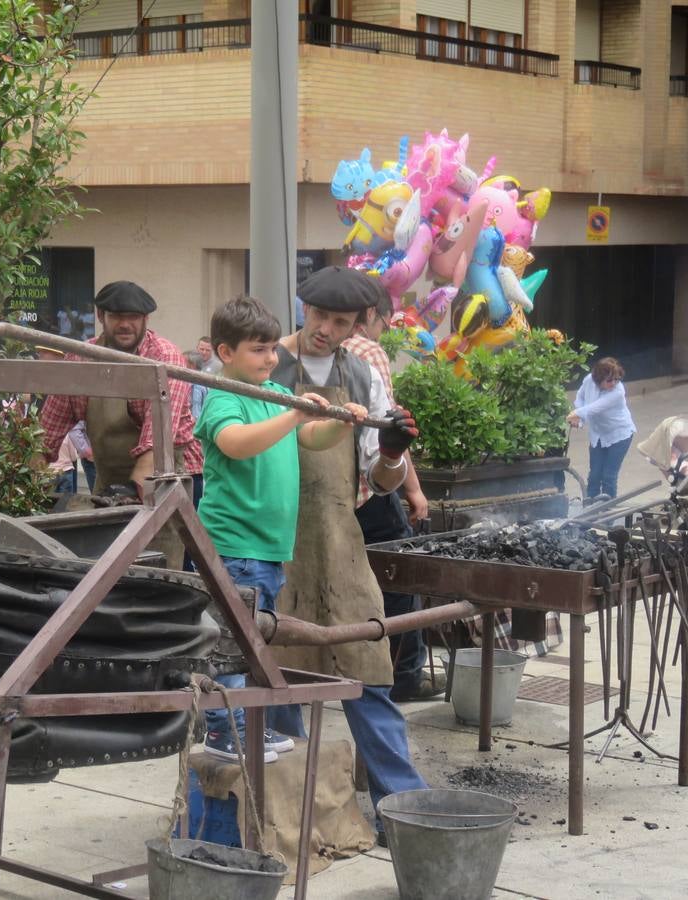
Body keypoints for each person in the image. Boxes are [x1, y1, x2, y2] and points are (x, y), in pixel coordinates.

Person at [271, 265, 427, 843]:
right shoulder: (266, 367)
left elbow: (381, 482)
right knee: (280, 677)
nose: (326, 330)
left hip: (339, 540)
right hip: (272, 544)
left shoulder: (361, 377)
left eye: (340, 323)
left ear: (356, 324)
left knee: (370, 672)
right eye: (318, 316)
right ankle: (295, 814)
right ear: (302, 308)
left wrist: (391, 453)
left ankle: (402, 810)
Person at [196, 295, 366, 763]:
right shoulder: (223, 395)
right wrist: (293, 412)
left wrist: (339, 424)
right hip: (233, 544)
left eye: (273, 349)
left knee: (253, 642)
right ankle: (223, 729)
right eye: (258, 350)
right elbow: (233, 444)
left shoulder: (271, 395)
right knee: (230, 643)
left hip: (268, 549)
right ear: (225, 353)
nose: (271, 358)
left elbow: (311, 438)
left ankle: (248, 723)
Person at [39, 281, 203, 566]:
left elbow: (159, 435)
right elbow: (47, 431)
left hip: (168, 476)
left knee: (164, 569)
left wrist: (133, 492)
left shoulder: (164, 358)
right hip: (110, 481)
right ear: (101, 316)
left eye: (133, 318)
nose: (125, 324)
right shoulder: (80, 358)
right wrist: (27, 478)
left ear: (145, 320)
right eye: (116, 317)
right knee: (108, 566)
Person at [341, 289, 442, 702]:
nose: (384, 331)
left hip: (332, 499)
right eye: (385, 323)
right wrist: (415, 491)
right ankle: (404, 675)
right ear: (371, 316)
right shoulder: (368, 351)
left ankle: (351, 669)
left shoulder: (307, 353)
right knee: (399, 580)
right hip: (370, 491)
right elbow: (391, 432)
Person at [567, 356, 637, 501]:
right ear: (598, 379)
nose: (614, 383)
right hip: (598, 435)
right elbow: (580, 397)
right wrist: (579, 419)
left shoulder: (618, 392)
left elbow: (595, 408)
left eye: (616, 379)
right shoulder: (589, 380)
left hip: (619, 435)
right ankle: (590, 509)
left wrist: (577, 414)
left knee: (608, 476)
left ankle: (608, 514)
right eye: (609, 380)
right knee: (594, 475)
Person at [182, 349, 210, 421]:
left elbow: (196, 412)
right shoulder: (204, 380)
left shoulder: (196, 385)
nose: (180, 364)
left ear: (192, 365)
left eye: (183, 361)